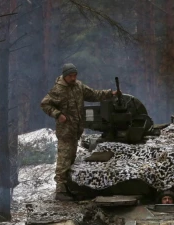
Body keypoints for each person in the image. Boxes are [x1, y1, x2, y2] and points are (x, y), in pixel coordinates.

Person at [40, 63, 118, 200]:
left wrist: (110, 93)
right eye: (71, 76)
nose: (73, 78)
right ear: (65, 76)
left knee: (71, 158)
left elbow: (93, 94)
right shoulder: (58, 90)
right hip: (65, 130)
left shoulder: (78, 86)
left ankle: (69, 187)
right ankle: (60, 190)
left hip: (76, 129)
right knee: (64, 159)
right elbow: (45, 104)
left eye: (75, 75)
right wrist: (58, 115)